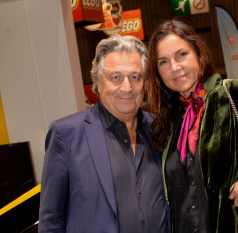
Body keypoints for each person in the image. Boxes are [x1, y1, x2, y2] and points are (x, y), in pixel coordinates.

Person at [146, 19, 238, 233]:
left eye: (182, 54)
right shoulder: (165, 120)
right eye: (163, 62)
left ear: (199, 54)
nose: (174, 67)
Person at [39, 35, 169, 233]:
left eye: (135, 77)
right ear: (98, 83)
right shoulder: (66, 135)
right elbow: (51, 220)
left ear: (145, 83)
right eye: (116, 77)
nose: (127, 87)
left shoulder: (161, 128)